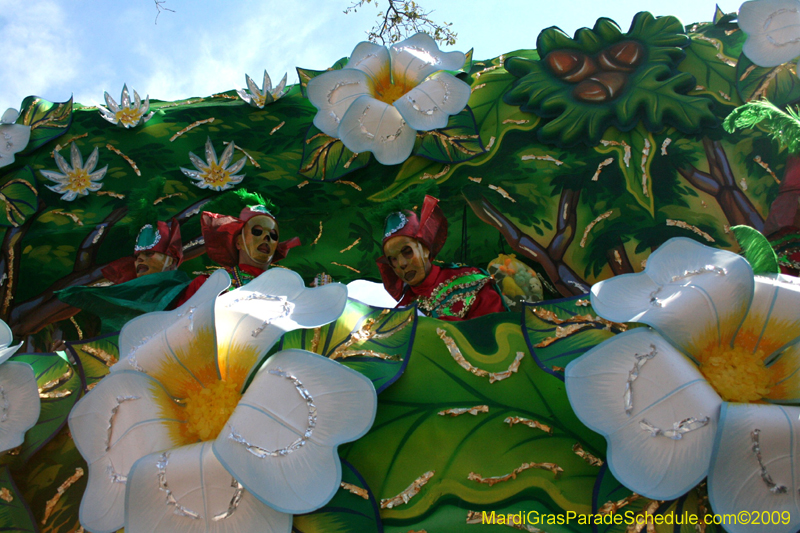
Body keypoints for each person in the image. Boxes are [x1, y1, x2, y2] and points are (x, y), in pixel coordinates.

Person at [376, 195, 506, 321]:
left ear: (425, 249)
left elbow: (495, 331)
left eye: (407, 251)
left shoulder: (471, 281)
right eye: (393, 259)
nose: (402, 264)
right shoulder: (399, 311)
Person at [57, 219, 190, 333]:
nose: (140, 260)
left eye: (149, 254)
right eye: (137, 256)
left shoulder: (191, 291)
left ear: (171, 260)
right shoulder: (124, 300)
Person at [175, 191, 300, 304]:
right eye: (257, 231)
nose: (267, 237)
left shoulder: (288, 292)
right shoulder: (209, 284)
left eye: (273, 235)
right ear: (238, 242)